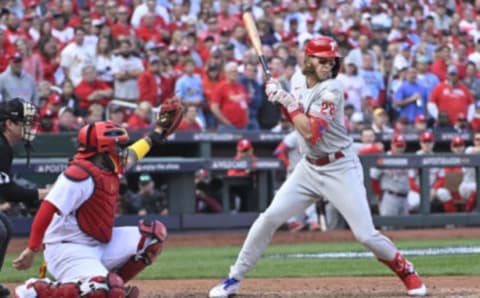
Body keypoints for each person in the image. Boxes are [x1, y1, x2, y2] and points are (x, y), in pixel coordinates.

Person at [209, 37, 427, 298]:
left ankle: (406, 269)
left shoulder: (333, 89)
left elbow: (312, 132)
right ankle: (234, 278)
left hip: (339, 166)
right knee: (268, 218)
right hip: (308, 168)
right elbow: (295, 117)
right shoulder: (299, 81)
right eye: (321, 60)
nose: (327, 65)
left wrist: (287, 101)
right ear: (308, 59)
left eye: (331, 61)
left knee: (366, 235)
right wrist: (281, 98)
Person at [13, 98, 183, 297]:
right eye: (116, 147)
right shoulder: (78, 175)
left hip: (99, 243)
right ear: (102, 151)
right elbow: (46, 209)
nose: (121, 151)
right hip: (68, 248)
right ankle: (36, 290)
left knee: (152, 235)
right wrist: (32, 249)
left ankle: (113, 285)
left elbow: (134, 153)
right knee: (105, 289)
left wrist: (157, 134)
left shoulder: (107, 165)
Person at [0, 98, 50, 297]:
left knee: (6, 226)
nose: (29, 127)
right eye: (24, 122)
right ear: (10, 124)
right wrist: (43, 193)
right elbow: (9, 191)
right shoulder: (1, 147)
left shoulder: (4, 146)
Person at [370, 134, 411, 216]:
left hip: (405, 198)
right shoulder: (383, 158)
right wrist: (380, 193)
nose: (399, 149)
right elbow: (373, 178)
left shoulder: (407, 159)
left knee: (403, 228)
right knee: (388, 227)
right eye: (397, 146)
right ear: (392, 145)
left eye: (401, 146)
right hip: (390, 197)